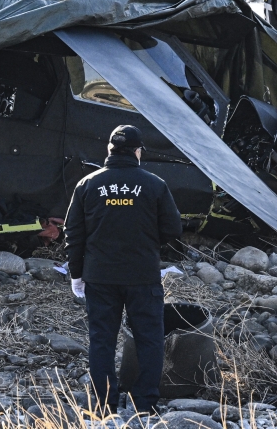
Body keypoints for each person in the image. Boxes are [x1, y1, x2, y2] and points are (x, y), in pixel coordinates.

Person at [63, 125, 182, 415]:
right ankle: (145, 404)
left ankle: (104, 406)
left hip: (100, 277)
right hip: (143, 275)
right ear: (138, 151)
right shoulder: (155, 185)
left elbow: (73, 234)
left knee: (102, 341)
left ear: (110, 150)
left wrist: (77, 274)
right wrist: (148, 242)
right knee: (149, 340)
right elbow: (173, 229)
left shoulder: (87, 184)